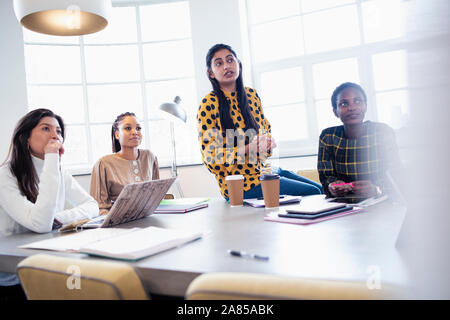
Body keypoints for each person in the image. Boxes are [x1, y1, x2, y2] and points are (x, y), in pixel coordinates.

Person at [197, 43, 322, 200]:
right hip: (239, 185)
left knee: (320, 188)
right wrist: (249, 148)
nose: (226, 66)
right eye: (219, 63)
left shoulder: (251, 96)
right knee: (314, 193)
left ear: (239, 65)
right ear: (211, 73)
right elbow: (211, 159)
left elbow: (264, 141)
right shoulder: (209, 104)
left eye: (230, 60)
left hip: (264, 171)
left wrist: (267, 143)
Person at [0, 108, 98, 294]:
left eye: (59, 131)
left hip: (46, 258)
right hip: (12, 274)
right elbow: (41, 224)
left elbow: (92, 206)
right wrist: (52, 157)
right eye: (46, 129)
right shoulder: (5, 175)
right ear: (25, 137)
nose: (55, 135)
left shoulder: (59, 171)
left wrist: (60, 218)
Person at [317, 82, 401, 198]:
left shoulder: (383, 132)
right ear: (335, 112)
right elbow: (326, 178)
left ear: (365, 106)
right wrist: (332, 187)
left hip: (381, 202)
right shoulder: (328, 137)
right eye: (344, 103)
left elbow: (396, 175)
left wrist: (376, 188)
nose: (352, 108)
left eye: (357, 101)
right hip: (343, 205)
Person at [90, 112, 160, 215]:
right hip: (119, 225)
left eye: (138, 128)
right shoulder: (103, 164)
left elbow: (156, 194)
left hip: (149, 218)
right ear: (117, 134)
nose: (135, 132)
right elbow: (99, 208)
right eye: (128, 128)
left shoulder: (150, 157)